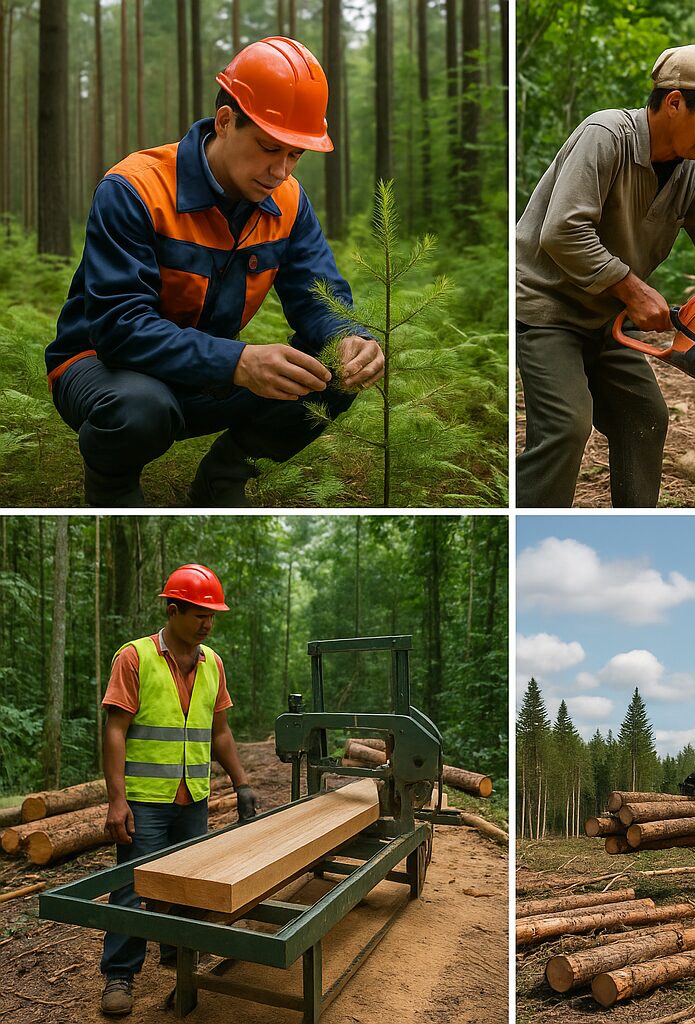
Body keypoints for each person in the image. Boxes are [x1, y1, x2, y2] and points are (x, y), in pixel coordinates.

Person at [45, 37, 383, 508]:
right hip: (102, 368)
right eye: (270, 148)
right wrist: (238, 362)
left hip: (204, 376)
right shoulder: (135, 189)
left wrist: (350, 336)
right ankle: (113, 490)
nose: (282, 171)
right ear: (225, 122)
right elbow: (117, 329)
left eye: (295, 155)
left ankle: (223, 480)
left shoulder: (287, 201)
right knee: (140, 409)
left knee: (332, 370)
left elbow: (317, 295)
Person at [516, 44, 695, 507]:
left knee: (644, 414)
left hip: (607, 318)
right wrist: (634, 289)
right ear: (676, 102)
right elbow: (561, 231)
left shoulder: (692, 168)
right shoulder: (605, 136)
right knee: (566, 426)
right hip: (547, 310)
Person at [98, 564, 256, 1016]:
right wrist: (116, 799)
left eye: (213, 616)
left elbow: (220, 731)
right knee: (132, 886)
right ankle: (120, 974)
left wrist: (241, 782)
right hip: (145, 799)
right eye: (199, 615)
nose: (208, 624)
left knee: (191, 884)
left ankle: (179, 956)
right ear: (173, 610)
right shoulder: (135, 657)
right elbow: (115, 731)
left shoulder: (213, 664)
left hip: (194, 797)